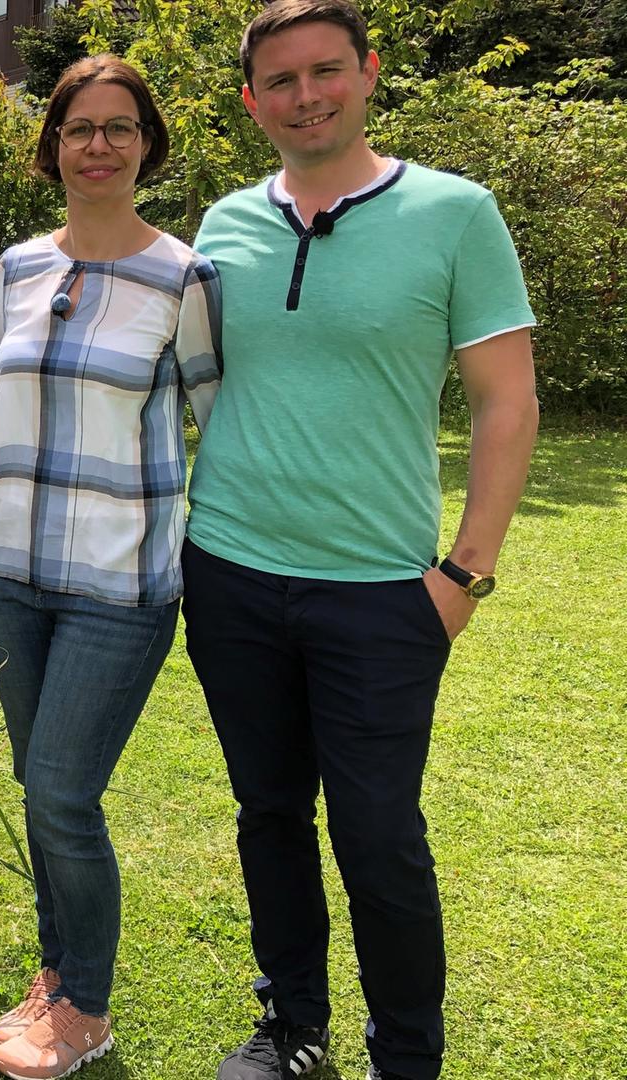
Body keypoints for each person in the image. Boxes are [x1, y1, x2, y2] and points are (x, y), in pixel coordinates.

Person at [185, 3, 539, 1078]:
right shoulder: (222, 226)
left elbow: (506, 400)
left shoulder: (455, 212)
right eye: (280, 82)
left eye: (324, 71)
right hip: (233, 573)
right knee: (269, 816)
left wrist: (464, 573)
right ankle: (293, 1032)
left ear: (368, 72)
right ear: (253, 103)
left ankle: (408, 1059)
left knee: (380, 839)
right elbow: (198, 386)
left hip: (382, 591)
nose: (306, 96)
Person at [0, 55, 222, 1080]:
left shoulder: (184, 278)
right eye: (77, 127)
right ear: (51, 145)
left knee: (61, 792)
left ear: (148, 144)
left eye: (119, 127)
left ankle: (87, 1007)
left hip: (120, 582)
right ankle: (56, 976)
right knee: (38, 784)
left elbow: (219, 426)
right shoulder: (14, 268)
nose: (96, 145)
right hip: (11, 572)